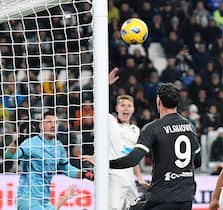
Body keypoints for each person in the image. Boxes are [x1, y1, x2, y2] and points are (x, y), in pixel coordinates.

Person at [109, 82, 201, 210]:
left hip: (162, 198)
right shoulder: (190, 126)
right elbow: (197, 162)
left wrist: (105, 164)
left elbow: (133, 160)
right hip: (186, 198)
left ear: (158, 101)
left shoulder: (153, 128)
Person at [83, 68, 149, 210]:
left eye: (129, 106)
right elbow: (98, 101)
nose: (126, 108)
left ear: (133, 109)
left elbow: (134, 157)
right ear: (116, 108)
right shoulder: (110, 122)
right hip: (112, 177)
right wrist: (106, 84)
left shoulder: (135, 130)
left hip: (130, 180)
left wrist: (140, 178)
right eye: (122, 105)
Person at [5, 110, 94, 210]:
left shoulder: (58, 146)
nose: (53, 125)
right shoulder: (30, 143)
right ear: (41, 126)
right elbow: (8, 156)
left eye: (55, 122)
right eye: (49, 122)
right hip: (28, 198)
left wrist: (84, 174)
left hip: (45, 200)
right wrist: (19, 140)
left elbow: (66, 168)